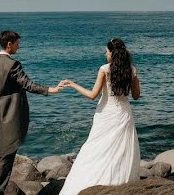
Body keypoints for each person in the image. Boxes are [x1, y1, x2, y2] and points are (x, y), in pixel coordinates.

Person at [0, 30, 64, 195]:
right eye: (17, 44)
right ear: (9, 44)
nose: (19, 47)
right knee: (7, 155)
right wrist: (51, 90)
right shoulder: (13, 64)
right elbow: (27, 84)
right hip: (8, 117)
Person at [58, 38, 141, 195]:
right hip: (123, 115)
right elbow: (136, 95)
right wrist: (135, 79)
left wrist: (72, 84)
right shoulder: (131, 70)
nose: (105, 54)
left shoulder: (104, 69)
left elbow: (92, 95)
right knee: (121, 150)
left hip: (105, 115)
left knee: (96, 149)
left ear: (112, 53)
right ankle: (120, 183)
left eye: (106, 51)